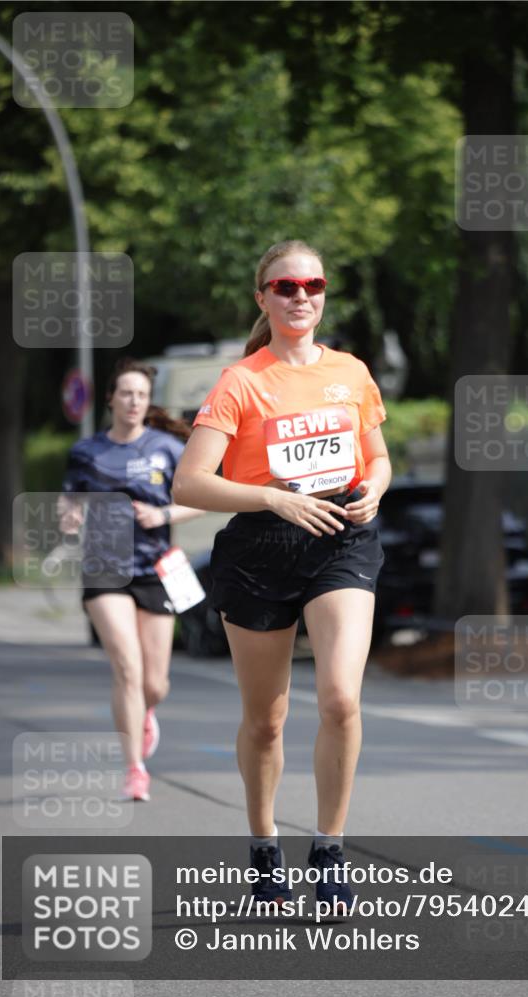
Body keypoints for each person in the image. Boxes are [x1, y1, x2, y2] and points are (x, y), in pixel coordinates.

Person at [173, 240, 391, 913]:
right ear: (263, 297)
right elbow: (191, 482)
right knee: (266, 721)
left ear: (323, 293)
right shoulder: (242, 380)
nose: (301, 296)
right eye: (285, 286)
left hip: (340, 540)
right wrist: (272, 497)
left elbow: (377, 455)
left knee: (340, 700)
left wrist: (375, 489)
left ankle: (329, 849)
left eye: (312, 284)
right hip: (261, 549)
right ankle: (264, 846)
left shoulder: (351, 372)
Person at [59, 358, 203, 802]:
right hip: (105, 569)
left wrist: (162, 513)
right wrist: (69, 517)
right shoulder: (88, 452)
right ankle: (134, 769)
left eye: (141, 394)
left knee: (154, 682)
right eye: (126, 393)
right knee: (127, 666)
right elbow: (68, 501)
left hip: (156, 570)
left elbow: (201, 497)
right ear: (111, 399)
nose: (134, 401)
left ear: (147, 400)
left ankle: (146, 710)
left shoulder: (166, 448)